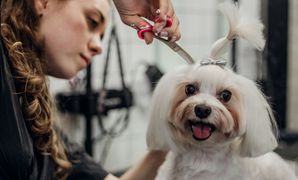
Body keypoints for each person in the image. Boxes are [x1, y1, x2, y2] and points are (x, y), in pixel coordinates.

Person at [0, 0, 181, 179]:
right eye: (92, 21)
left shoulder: (38, 118)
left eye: (101, 36)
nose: (99, 47)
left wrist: (168, 140)